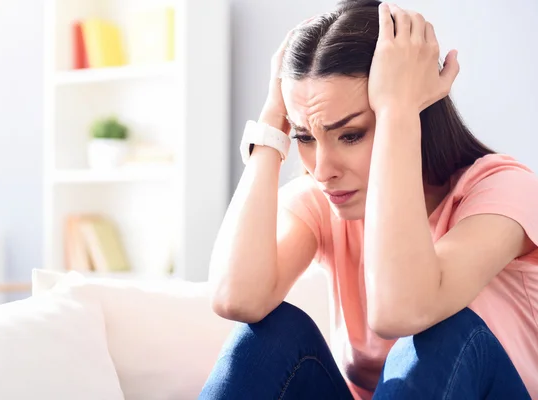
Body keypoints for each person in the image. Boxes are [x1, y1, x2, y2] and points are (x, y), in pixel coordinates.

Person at [199, 0, 538, 399]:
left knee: (441, 330)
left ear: (417, 110)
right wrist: (272, 123)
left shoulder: (505, 190)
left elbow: (403, 311)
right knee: (268, 335)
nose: (322, 169)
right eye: (304, 137)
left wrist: (397, 109)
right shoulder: (324, 200)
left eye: (351, 134)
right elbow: (236, 298)